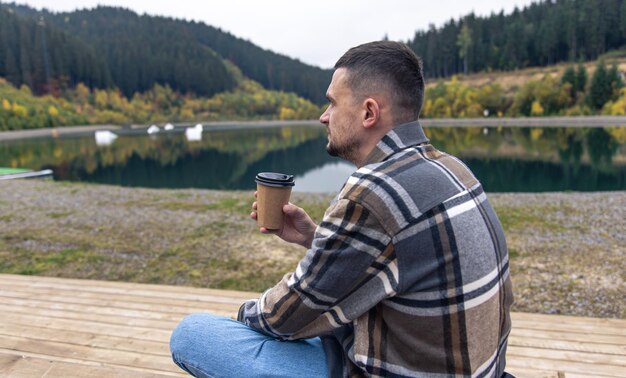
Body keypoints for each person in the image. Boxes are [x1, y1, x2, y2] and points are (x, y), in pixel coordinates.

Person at [170, 40, 514, 377]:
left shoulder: (374, 190)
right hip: (474, 368)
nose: (323, 116)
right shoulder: (454, 169)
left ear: (368, 112)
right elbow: (398, 257)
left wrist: (242, 321)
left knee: (193, 334)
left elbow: (285, 316)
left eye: (332, 103)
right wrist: (315, 239)